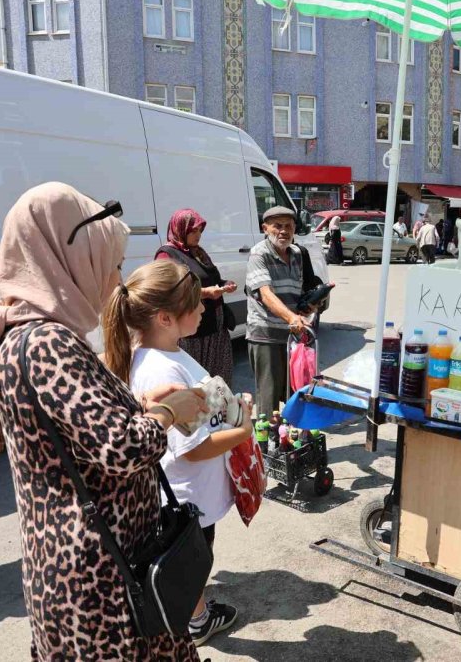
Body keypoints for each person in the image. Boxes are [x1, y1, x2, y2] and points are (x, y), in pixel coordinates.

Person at [0, 182, 207, 660]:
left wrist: (138, 403)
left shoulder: (28, 334)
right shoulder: (48, 342)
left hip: (92, 568)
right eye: (110, 264)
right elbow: (123, 449)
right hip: (101, 582)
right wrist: (170, 411)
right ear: (68, 256)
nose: (115, 282)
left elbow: (81, 431)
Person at [105, 259, 255, 646]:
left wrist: (230, 407)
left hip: (189, 493)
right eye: (195, 304)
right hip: (187, 497)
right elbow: (194, 449)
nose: (204, 307)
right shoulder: (162, 371)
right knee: (191, 561)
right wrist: (243, 431)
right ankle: (195, 622)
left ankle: (195, 616)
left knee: (192, 560)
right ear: (165, 318)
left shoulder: (167, 352)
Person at [156, 209, 238, 384]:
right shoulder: (167, 254)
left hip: (215, 331)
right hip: (192, 335)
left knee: (218, 386)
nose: (198, 235)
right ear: (180, 229)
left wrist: (224, 284)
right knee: (196, 385)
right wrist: (206, 293)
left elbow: (211, 278)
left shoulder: (198, 252)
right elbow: (168, 290)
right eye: (193, 230)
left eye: (200, 230)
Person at [246, 206, 312, 414]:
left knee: (295, 389)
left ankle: (289, 440)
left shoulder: (296, 254)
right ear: (265, 228)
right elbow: (266, 294)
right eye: (277, 226)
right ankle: (267, 444)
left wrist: (308, 305)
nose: (283, 231)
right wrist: (291, 317)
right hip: (266, 335)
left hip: (291, 335)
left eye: (288, 226)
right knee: (269, 396)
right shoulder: (259, 253)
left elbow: (296, 292)